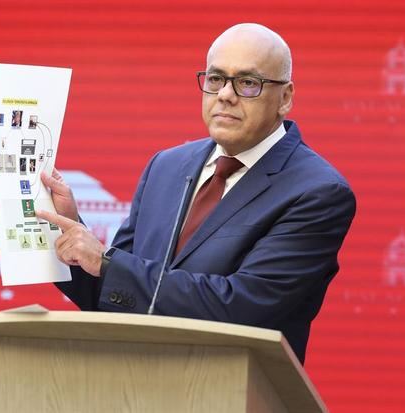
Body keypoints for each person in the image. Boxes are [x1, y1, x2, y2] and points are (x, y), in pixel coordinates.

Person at [36, 23, 356, 364]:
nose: (225, 95)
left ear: (286, 97)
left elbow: (242, 308)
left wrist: (106, 263)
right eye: (216, 79)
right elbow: (114, 293)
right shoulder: (166, 166)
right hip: (134, 386)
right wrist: (67, 230)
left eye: (247, 82)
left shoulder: (317, 191)